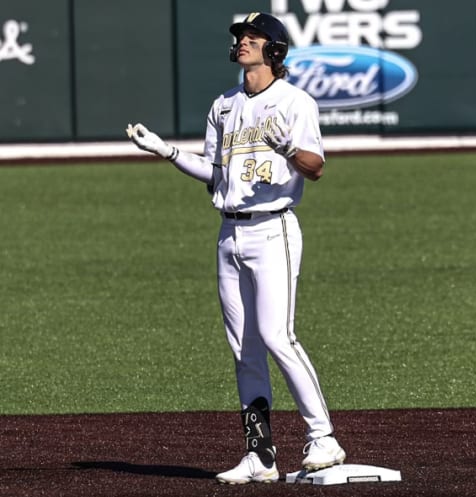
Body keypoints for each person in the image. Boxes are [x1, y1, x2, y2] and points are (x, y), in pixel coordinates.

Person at [125, 11, 345, 485]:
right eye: (241, 36)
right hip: (229, 234)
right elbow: (217, 175)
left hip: (273, 230)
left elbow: (316, 166)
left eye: (252, 36)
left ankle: (323, 436)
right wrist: (167, 152)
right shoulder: (223, 106)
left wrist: (286, 150)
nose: (243, 42)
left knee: (276, 336)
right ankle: (260, 456)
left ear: (275, 49)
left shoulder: (295, 102)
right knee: (244, 350)